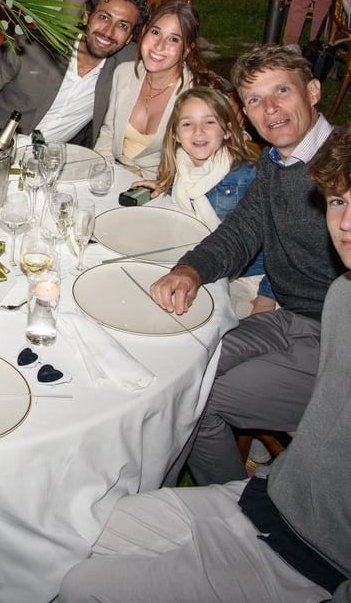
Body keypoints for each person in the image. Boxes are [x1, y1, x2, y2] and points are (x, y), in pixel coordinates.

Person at [59, 124, 351, 603]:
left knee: (79, 586)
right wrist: (191, 269)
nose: (344, 223)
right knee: (73, 530)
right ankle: (204, 478)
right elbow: (241, 232)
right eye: (337, 202)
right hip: (263, 501)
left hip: (314, 560)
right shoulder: (343, 293)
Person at [149, 45, 346, 488]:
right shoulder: (275, 164)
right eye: (255, 99)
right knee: (181, 370)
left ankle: (238, 506)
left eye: (282, 91)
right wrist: (190, 270)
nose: (270, 108)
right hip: (288, 319)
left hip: (336, 341)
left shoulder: (343, 166)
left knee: (198, 400)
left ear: (314, 91)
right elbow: (240, 232)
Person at [131, 87, 274, 316]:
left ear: (227, 131)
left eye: (209, 122)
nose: (198, 131)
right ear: (175, 135)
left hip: (244, 277)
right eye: (187, 124)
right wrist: (165, 187)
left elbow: (277, 240)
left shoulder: (246, 176)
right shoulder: (180, 167)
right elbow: (190, 196)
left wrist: (268, 295)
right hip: (194, 257)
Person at [0, 0, 147, 146]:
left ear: (129, 38)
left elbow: (161, 53)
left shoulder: (127, 62)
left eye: (122, 25)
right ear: (86, 17)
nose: (108, 31)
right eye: (104, 17)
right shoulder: (31, 46)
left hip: (55, 160)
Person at [94, 0, 220, 178]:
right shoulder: (124, 74)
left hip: (164, 185)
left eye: (173, 39)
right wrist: (99, 174)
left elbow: (212, 146)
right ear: (144, 32)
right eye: (155, 32)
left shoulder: (195, 94)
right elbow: (109, 132)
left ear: (186, 50)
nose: (159, 46)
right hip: (116, 176)